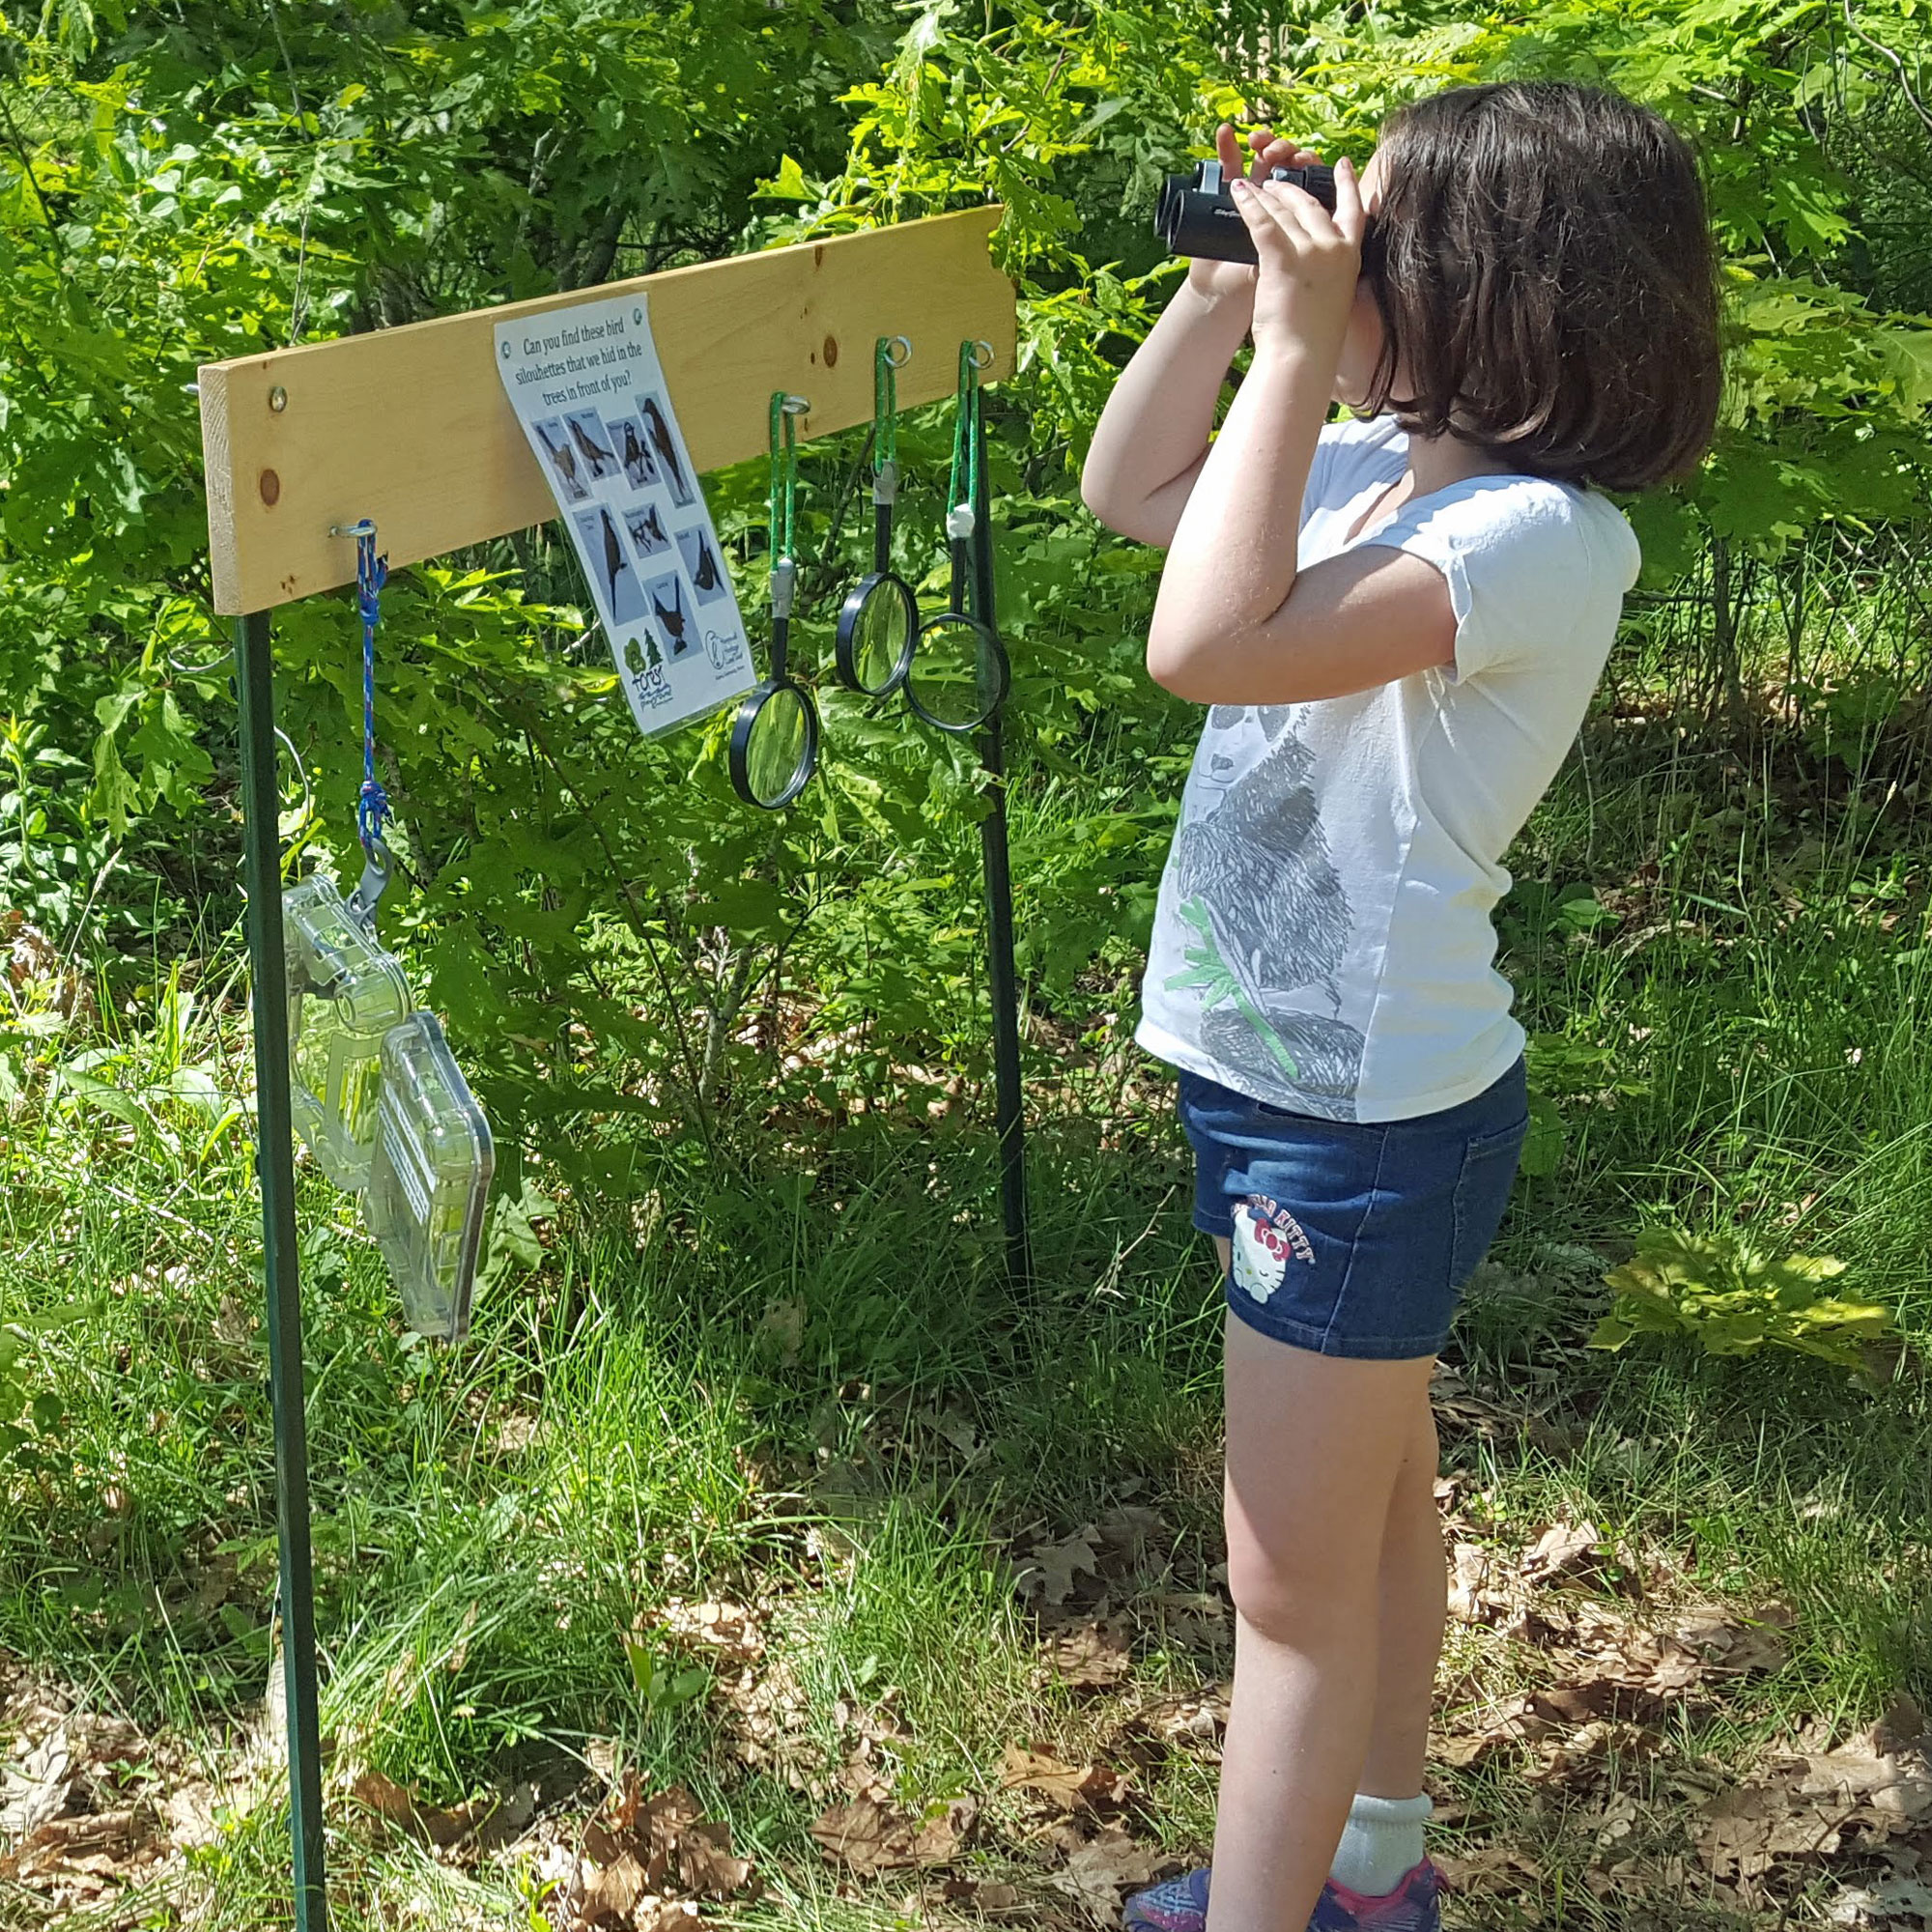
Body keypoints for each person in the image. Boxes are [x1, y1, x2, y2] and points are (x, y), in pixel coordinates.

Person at [1079, 81, 1720, 1932]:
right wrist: (1224, 299)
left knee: (1284, 1586)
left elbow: (1205, 645)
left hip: (1358, 1128)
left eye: (1383, 240)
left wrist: (1294, 347)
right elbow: (1134, 496)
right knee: (1367, 1504)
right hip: (1284, 1090)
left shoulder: (1534, 533)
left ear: (1491, 291)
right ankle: (1372, 1862)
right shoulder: (1371, 466)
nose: (1345, 264)